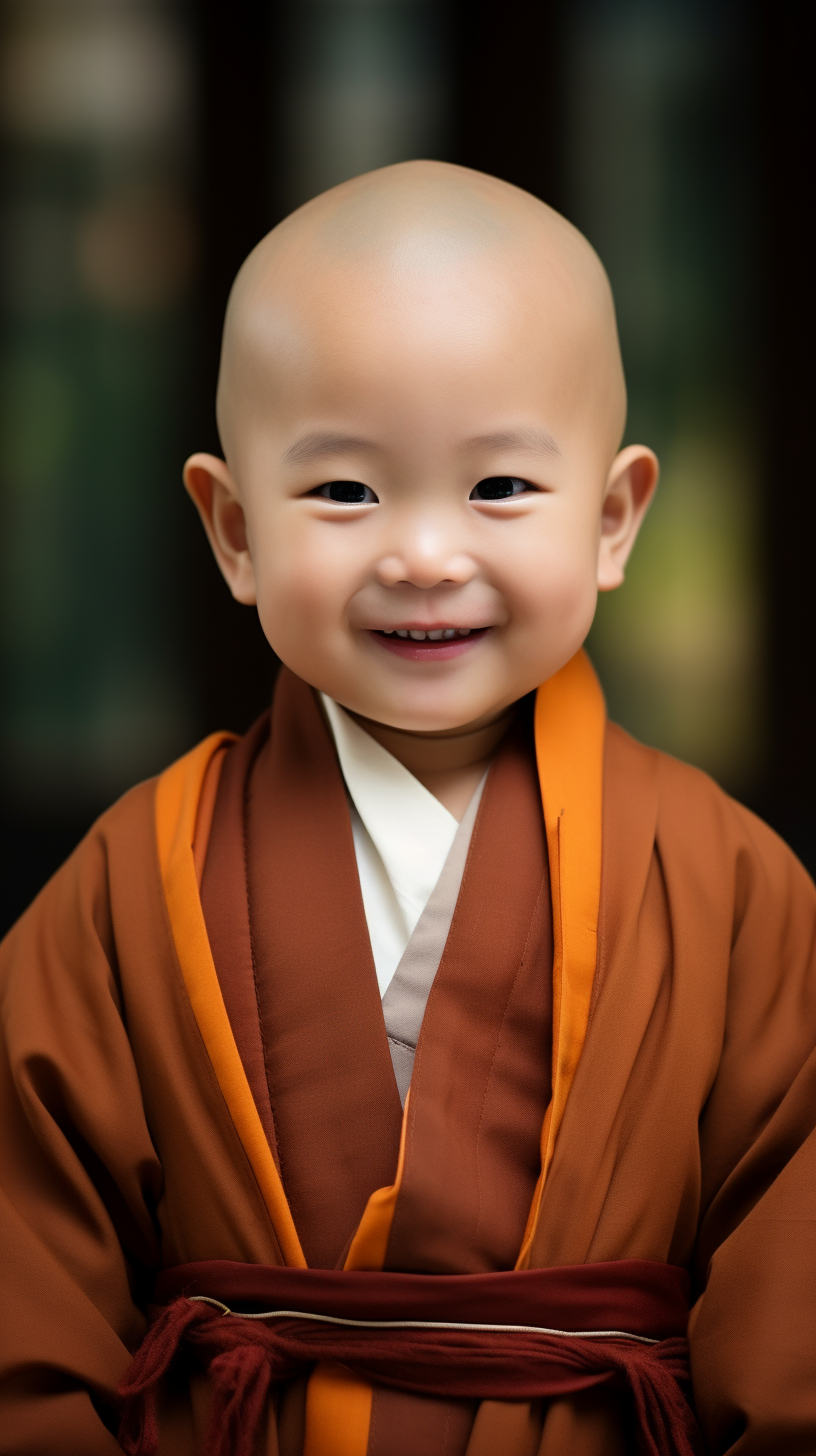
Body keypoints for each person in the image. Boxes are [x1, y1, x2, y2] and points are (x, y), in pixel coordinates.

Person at [1, 161, 814, 1456]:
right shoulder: (130, 880)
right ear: (233, 529)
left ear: (614, 520)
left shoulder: (725, 885)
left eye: (499, 489)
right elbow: (26, 1301)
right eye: (344, 491)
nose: (425, 553)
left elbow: (795, 1325)